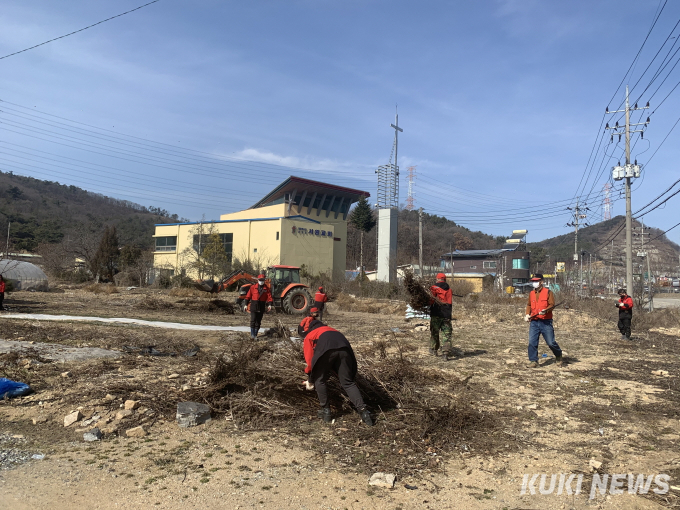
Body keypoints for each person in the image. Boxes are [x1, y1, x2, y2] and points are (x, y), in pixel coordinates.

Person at [299, 309, 373, 426]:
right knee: (348, 382)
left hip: (326, 350)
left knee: (320, 380)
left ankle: (326, 412)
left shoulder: (310, 335)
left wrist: (310, 378)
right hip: (345, 349)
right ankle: (365, 413)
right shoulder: (334, 330)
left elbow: (310, 361)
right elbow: (340, 353)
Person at [524, 274, 563, 368]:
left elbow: (551, 305)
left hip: (546, 321)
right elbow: (529, 305)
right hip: (534, 321)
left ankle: (558, 355)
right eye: (533, 281)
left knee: (551, 342)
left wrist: (546, 310)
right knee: (532, 342)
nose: (534, 283)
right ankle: (533, 361)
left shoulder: (548, 292)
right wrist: (527, 314)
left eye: (536, 281)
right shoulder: (531, 293)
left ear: (541, 282)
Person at [429, 273, 453, 359]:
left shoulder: (433, 288)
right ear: (445, 280)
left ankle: (433, 349)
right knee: (446, 334)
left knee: (434, 332)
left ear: (437, 279)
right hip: (446, 315)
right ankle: (445, 353)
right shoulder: (449, 290)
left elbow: (431, 301)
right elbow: (449, 302)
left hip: (436, 314)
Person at [244, 274, 272, 339]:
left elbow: (269, 297)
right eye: (260, 280)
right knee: (253, 320)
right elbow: (248, 296)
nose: (261, 281)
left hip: (261, 306)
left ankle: (255, 335)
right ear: (258, 280)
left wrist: (269, 305)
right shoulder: (253, 287)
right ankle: (252, 335)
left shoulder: (267, 289)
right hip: (254, 305)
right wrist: (245, 304)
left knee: (258, 322)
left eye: (262, 280)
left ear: (264, 281)